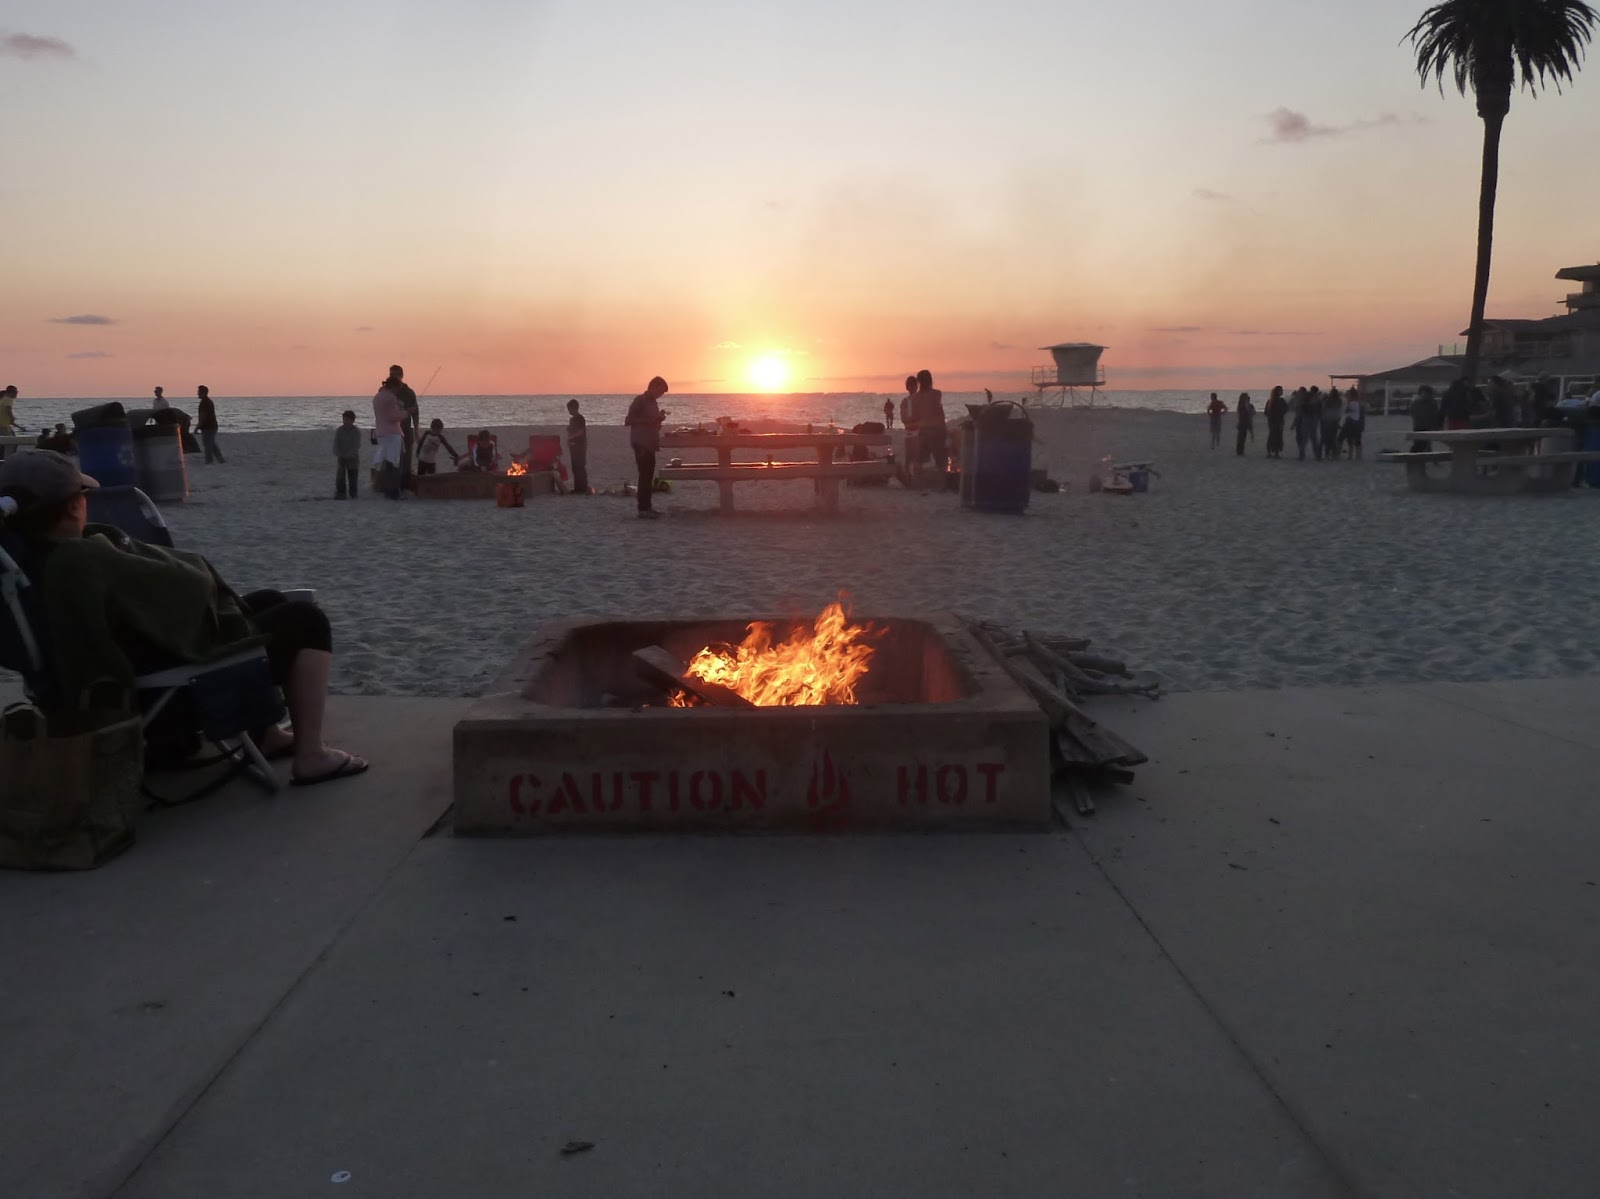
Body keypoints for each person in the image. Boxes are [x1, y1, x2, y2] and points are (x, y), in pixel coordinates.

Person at [0, 449, 366, 786]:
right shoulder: (78, 559)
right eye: (84, 496)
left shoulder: (24, 565)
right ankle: (311, 756)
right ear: (71, 508)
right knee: (305, 619)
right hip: (163, 681)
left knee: (269, 600)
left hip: (141, 656)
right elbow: (186, 587)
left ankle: (267, 735)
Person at [625, 376, 669, 518]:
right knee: (644, 475)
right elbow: (629, 420)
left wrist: (658, 420)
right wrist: (651, 421)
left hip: (650, 443)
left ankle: (647, 507)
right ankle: (643, 509)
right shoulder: (640, 400)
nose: (661, 395)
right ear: (654, 386)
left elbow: (654, 425)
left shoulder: (653, 403)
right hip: (641, 442)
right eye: (660, 391)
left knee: (648, 476)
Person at [371, 377, 405, 500]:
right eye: (398, 388)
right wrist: (405, 413)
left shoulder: (377, 396)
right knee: (395, 463)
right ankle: (394, 492)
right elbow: (392, 417)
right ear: (393, 386)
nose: (398, 391)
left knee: (387, 463)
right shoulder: (391, 397)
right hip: (392, 434)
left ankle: (387, 490)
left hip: (381, 433)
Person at [386, 365, 419, 490]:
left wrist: (416, 431)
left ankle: (404, 486)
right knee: (391, 459)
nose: (392, 377)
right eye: (390, 374)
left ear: (401, 376)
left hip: (405, 430)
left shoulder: (409, 392)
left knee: (406, 460)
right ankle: (391, 485)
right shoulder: (386, 391)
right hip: (390, 431)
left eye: (394, 375)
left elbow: (416, 413)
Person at [915, 369, 947, 472]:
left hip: (924, 430)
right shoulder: (937, 394)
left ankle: (918, 479)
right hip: (937, 430)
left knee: (919, 460)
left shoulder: (916, 397)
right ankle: (941, 479)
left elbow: (916, 415)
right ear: (930, 380)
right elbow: (939, 413)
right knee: (940, 460)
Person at [333, 410, 361, 499]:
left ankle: (353, 493)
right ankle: (341, 493)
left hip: (353, 457)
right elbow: (336, 444)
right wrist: (339, 453)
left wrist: (351, 453)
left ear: (353, 420)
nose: (345, 421)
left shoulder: (356, 431)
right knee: (340, 476)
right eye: (344, 419)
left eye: (347, 420)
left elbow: (357, 445)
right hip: (342, 456)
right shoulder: (339, 430)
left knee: (353, 476)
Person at [195, 385, 224, 464]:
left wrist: (197, 427)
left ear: (203, 393)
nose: (197, 393)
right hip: (211, 426)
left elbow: (203, 417)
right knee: (211, 443)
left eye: (199, 392)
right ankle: (220, 459)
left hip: (208, 427)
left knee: (208, 444)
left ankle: (209, 461)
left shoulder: (205, 403)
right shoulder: (207, 401)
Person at [566, 399, 589, 494]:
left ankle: (583, 487)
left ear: (574, 408)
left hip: (580, 445)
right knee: (575, 467)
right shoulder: (572, 419)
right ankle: (577, 488)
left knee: (580, 466)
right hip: (573, 445)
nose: (569, 411)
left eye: (570, 409)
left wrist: (571, 437)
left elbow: (581, 432)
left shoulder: (580, 418)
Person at [1410, 384, 1440, 453]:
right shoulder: (1431, 402)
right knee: (1420, 444)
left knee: (1424, 444)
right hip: (1420, 426)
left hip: (1425, 426)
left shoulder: (1431, 403)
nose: (1424, 395)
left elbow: (1435, 415)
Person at [1292, 388, 1317, 460]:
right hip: (1312, 422)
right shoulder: (1313, 404)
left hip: (1304, 422)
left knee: (1304, 439)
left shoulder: (1302, 404)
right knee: (1313, 439)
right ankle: (1317, 455)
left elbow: (1298, 415)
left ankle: (1302, 455)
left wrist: (1294, 424)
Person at [1263, 386, 1287, 458]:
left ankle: (1269, 453)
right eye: (1281, 390)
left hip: (1271, 421)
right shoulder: (1281, 401)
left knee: (1272, 436)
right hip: (1279, 421)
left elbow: (1266, 412)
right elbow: (1286, 409)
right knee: (1278, 436)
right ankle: (1276, 453)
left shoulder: (1270, 401)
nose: (1282, 391)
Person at [1341, 389, 1364, 459]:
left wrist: (1348, 402)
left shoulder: (1352, 403)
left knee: (1350, 439)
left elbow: (1346, 410)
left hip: (1351, 422)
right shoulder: (1359, 403)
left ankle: (1351, 455)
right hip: (1358, 422)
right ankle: (1358, 455)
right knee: (1357, 440)